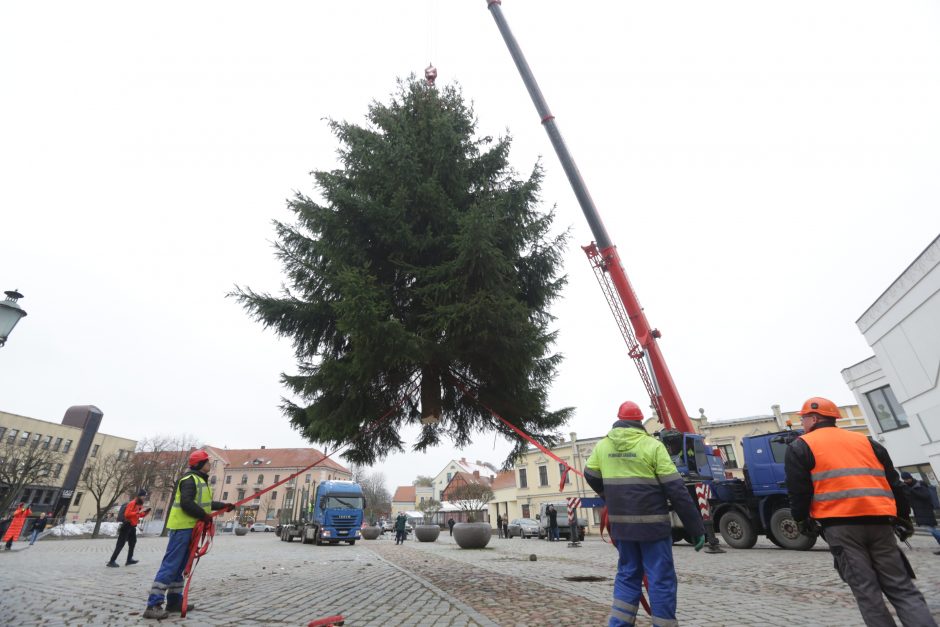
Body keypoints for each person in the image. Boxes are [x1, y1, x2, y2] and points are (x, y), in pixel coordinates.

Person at [785, 396, 936, 627]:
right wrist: (903, 517)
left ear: (814, 418)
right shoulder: (867, 442)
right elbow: (894, 483)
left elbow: (799, 491)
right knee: (902, 587)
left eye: (803, 418)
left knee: (867, 592)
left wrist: (801, 519)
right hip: (881, 523)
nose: (801, 424)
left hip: (840, 527)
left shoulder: (801, 445)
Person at [584, 400, 705, 627]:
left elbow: (589, 474)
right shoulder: (652, 446)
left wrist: (608, 495)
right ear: (640, 421)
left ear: (618, 420)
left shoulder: (603, 446)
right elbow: (676, 489)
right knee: (660, 579)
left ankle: (619, 624)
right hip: (653, 528)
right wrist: (696, 528)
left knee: (628, 575)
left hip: (622, 527)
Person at [143, 450, 233, 620]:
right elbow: (186, 504)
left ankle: (174, 602)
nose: (209, 464)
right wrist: (203, 516)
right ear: (200, 464)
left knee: (181, 566)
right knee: (171, 565)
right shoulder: (189, 480)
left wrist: (224, 505)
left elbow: (204, 504)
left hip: (190, 528)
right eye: (207, 462)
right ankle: (153, 604)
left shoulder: (199, 481)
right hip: (182, 528)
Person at [108, 489, 151, 567]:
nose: (144, 498)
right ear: (140, 496)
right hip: (127, 525)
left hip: (132, 526)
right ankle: (112, 561)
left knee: (133, 542)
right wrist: (138, 512)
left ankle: (129, 559)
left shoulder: (139, 504)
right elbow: (127, 514)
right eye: (144, 496)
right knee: (120, 544)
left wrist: (145, 513)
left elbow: (138, 515)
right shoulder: (133, 503)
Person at [901, 471, 940, 554]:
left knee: (931, 529)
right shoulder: (907, 487)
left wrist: (912, 491)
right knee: (932, 530)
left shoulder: (920, 484)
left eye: (907, 479)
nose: (906, 481)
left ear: (910, 477)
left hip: (926, 511)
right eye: (904, 479)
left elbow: (925, 496)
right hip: (919, 512)